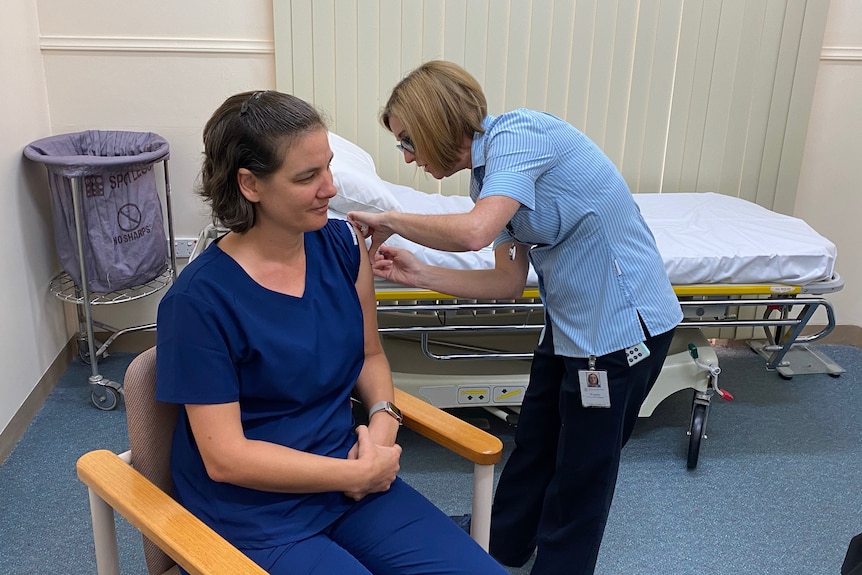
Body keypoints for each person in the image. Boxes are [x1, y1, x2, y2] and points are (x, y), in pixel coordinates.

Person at [347, 61, 684, 575]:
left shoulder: (520, 136)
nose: (409, 157)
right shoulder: (485, 180)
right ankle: (502, 542)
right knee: (533, 443)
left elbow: (475, 233)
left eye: (407, 141)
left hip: (620, 331)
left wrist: (390, 219)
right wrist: (420, 273)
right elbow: (506, 282)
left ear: (437, 120)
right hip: (572, 326)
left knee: (582, 471)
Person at [155, 90, 508, 575]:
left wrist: (382, 426)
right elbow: (226, 459)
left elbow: (370, 356)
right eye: (307, 176)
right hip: (255, 512)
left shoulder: (342, 246)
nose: (329, 187)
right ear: (249, 184)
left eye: (328, 167)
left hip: (352, 486)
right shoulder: (198, 302)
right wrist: (357, 471)